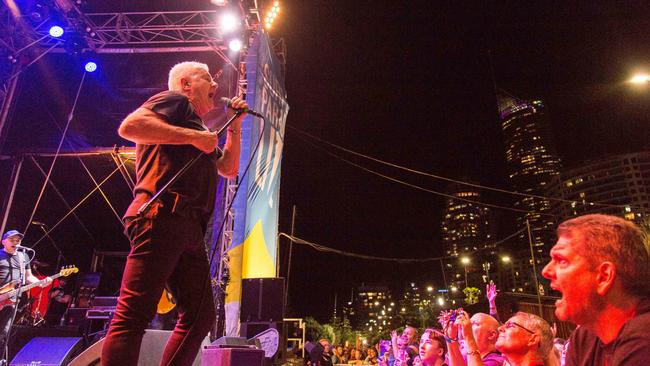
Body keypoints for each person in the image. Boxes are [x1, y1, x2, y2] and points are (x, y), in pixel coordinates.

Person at [101, 61, 249, 365]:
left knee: (200, 316)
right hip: (162, 214)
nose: (215, 86)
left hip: (189, 229)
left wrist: (234, 124)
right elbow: (130, 126)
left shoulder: (197, 127)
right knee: (134, 315)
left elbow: (229, 168)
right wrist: (194, 138)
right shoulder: (176, 101)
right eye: (206, 78)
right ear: (186, 84)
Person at [541, 214, 650, 366]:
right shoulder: (584, 339)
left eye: (562, 260)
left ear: (604, 276)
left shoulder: (644, 339)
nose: (546, 271)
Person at [0, 230, 51, 361]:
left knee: (3, 334)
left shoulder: (24, 257)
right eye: (12, 240)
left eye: (18, 240)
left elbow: (29, 277)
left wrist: (41, 283)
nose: (15, 242)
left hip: (10, 301)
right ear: (3, 242)